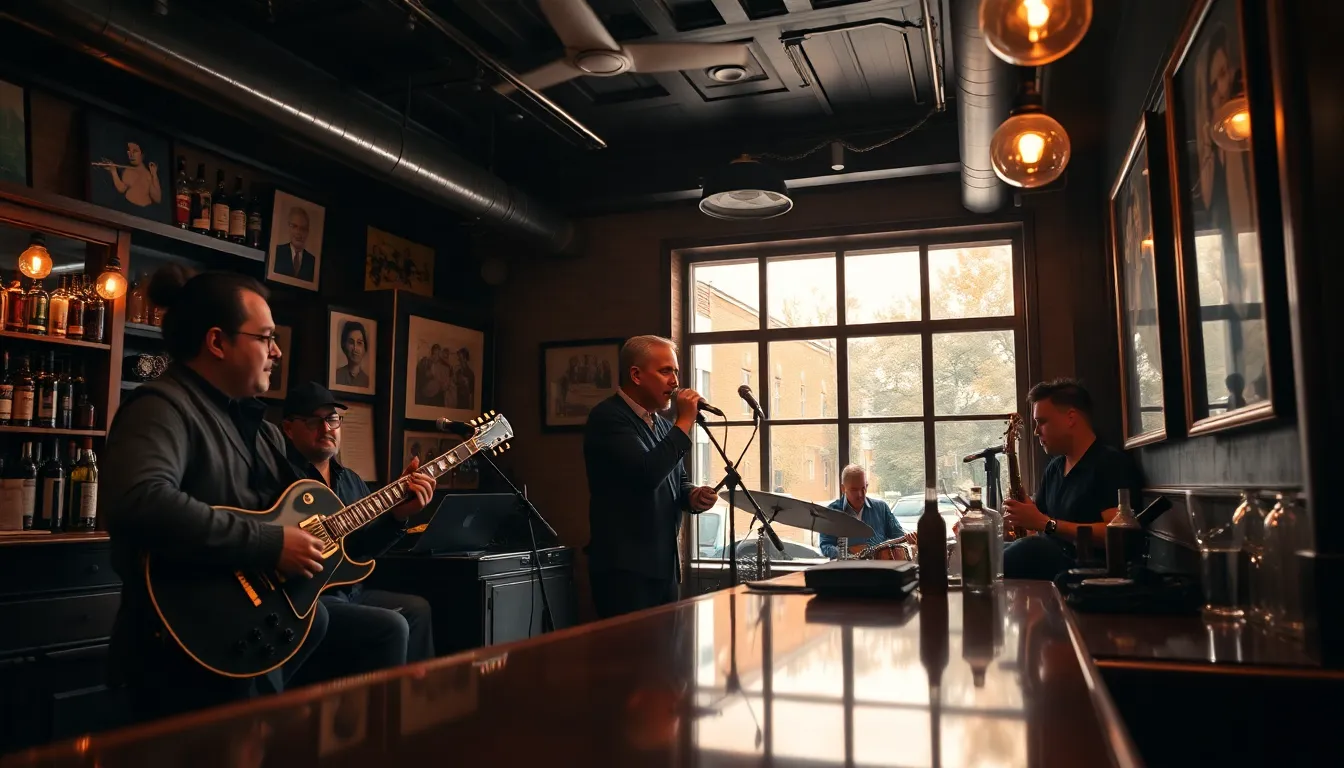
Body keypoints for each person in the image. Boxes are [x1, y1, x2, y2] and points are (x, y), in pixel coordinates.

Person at [101, 266, 328, 720]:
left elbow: (307, 527)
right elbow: (140, 500)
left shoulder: (261, 430)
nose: (277, 352)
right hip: (179, 656)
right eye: (266, 338)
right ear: (217, 343)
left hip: (249, 640)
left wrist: (395, 517)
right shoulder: (160, 406)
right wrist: (269, 543)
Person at [279, 382, 438, 682]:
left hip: (351, 590)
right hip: (310, 598)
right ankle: (382, 708)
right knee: (393, 625)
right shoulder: (282, 478)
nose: (326, 428)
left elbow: (362, 549)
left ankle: (415, 700)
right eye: (313, 421)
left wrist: (398, 515)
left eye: (333, 419)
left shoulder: (351, 480)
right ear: (289, 428)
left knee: (418, 610)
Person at [584, 335, 718, 618]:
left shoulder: (662, 425)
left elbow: (677, 481)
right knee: (631, 647)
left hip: (663, 568)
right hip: (625, 573)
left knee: (668, 646)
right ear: (636, 375)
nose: (675, 382)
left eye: (676, 372)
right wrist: (685, 421)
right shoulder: (608, 418)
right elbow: (646, 475)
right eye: (665, 371)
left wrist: (693, 496)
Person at [1002, 379, 1142, 580]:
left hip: (1090, 573)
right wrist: (1021, 517)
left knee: (1029, 548)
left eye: (1042, 422)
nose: (1036, 431)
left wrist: (1046, 524)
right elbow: (1038, 523)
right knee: (1000, 547)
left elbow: (1117, 534)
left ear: (1070, 418)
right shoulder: (1054, 468)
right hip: (1055, 564)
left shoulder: (1110, 464)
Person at [819, 464, 916, 558]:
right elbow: (826, 546)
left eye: (863, 488)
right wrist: (848, 553)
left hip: (880, 568)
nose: (860, 495)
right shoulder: (831, 513)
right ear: (843, 488)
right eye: (854, 490)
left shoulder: (882, 508)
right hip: (847, 568)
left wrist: (909, 541)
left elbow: (899, 536)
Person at [99, 141, 161, 208]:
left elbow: (157, 199)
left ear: (142, 154)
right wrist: (113, 171)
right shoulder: (128, 171)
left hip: (146, 210)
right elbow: (121, 188)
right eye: (129, 152)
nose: (131, 155)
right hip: (129, 206)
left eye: (135, 151)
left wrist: (154, 175)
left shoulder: (148, 174)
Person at [273, 206, 316, 282]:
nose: (298, 232)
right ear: (288, 228)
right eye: (294, 226)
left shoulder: (312, 261)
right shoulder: (277, 252)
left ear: (307, 231)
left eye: (303, 228)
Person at [334, 320, 369, 388]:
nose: (355, 348)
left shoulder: (367, 380)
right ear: (344, 345)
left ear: (365, 348)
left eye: (359, 343)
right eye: (351, 342)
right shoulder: (336, 376)